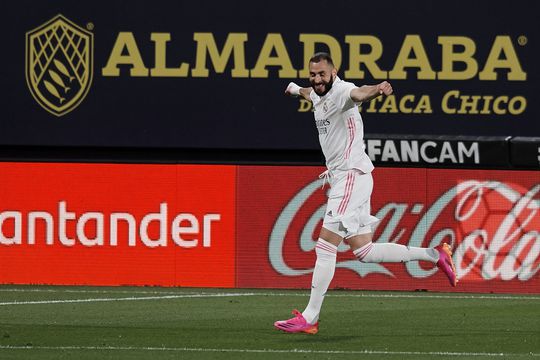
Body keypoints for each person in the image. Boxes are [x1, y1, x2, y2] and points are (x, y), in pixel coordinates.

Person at [274, 52, 457, 335]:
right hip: (346, 180)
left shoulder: (343, 91)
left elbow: (360, 94)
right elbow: (310, 92)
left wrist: (378, 88)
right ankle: (435, 255)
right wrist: (294, 88)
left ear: (334, 72)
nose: (317, 78)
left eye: (322, 73)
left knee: (325, 245)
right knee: (364, 251)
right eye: (313, 74)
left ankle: (310, 316)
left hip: (350, 175)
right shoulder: (317, 94)